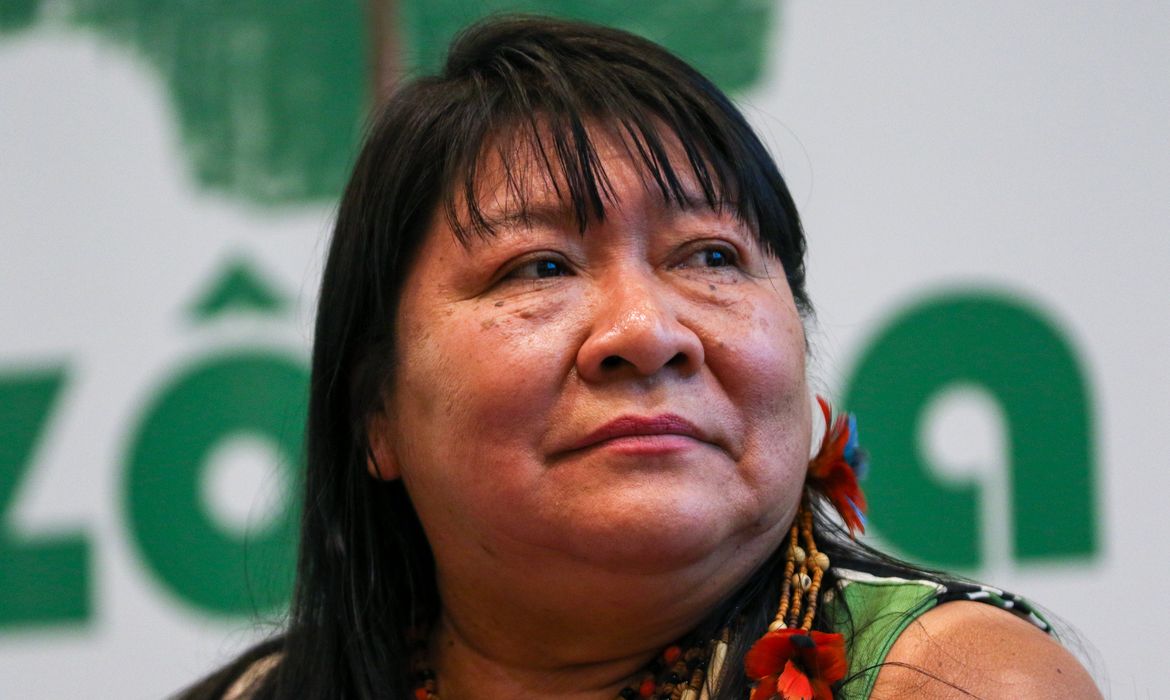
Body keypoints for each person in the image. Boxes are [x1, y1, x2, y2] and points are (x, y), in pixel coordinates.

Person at [181, 16, 1100, 700]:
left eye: (710, 256)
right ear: (376, 413)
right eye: (539, 267)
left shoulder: (955, 684)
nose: (646, 331)